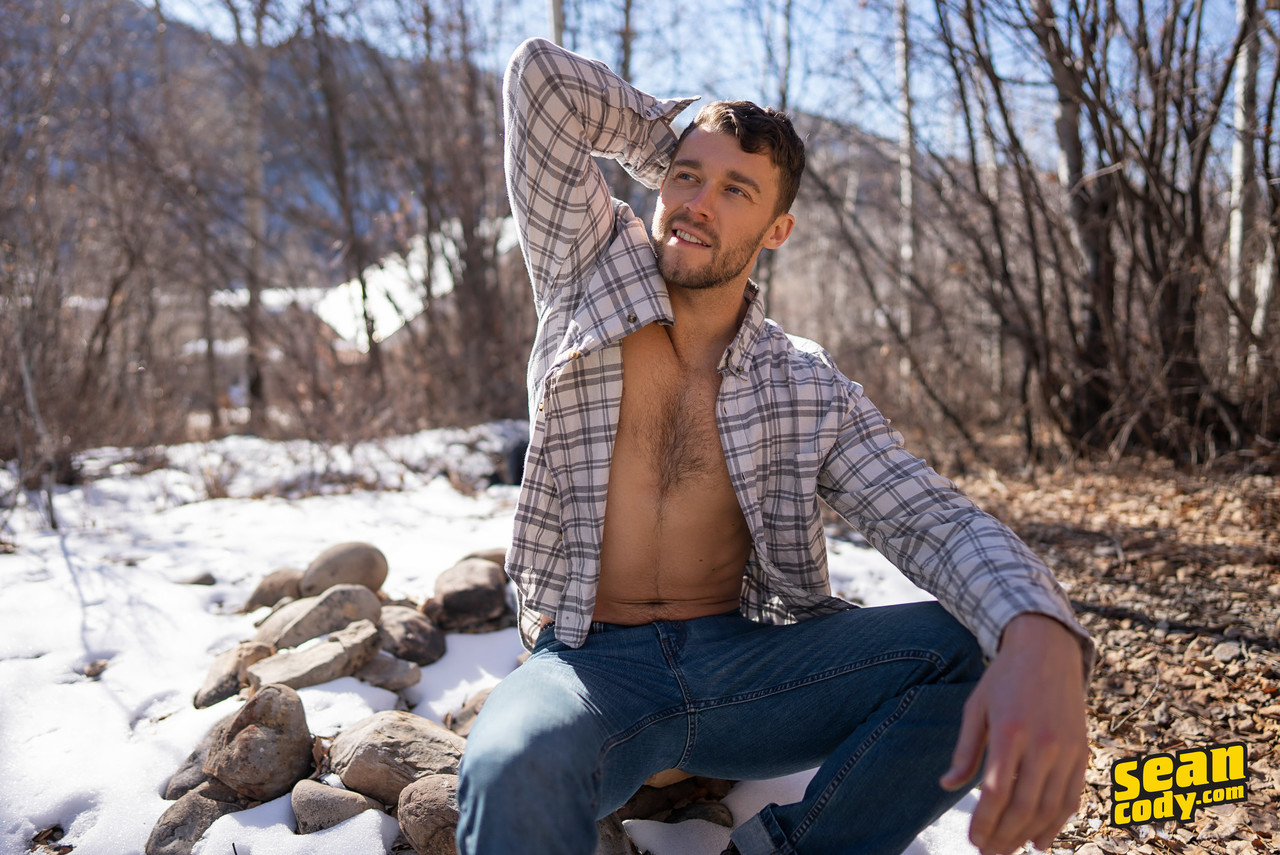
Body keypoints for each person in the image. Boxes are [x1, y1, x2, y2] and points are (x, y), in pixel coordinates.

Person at [456, 37, 1094, 855]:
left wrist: (1039, 628)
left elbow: (929, 517)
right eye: (687, 178)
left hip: (746, 675)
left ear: (777, 229)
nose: (698, 203)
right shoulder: (587, 274)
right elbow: (542, 83)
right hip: (587, 666)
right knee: (507, 763)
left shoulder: (804, 382)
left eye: (736, 190)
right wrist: (672, 140)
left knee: (977, 643)